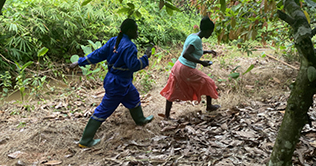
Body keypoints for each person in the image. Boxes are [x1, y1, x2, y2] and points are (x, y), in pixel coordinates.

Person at [70, 18, 154, 148]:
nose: (137, 33)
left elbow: (98, 54)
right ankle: (85, 140)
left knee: (133, 96)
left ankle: (140, 120)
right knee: (104, 109)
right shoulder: (130, 46)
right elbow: (133, 65)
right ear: (130, 31)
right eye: (136, 30)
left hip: (117, 80)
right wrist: (145, 57)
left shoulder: (114, 41)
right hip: (118, 84)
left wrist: (80, 61)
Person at [160, 16, 220, 119]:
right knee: (208, 82)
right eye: (210, 32)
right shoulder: (197, 40)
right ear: (206, 30)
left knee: (172, 89)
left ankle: (167, 115)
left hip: (178, 66)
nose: (211, 34)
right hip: (185, 68)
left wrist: (208, 51)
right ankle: (209, 106)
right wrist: (201, 62)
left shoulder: (193, 36)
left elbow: (194, 51)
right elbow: (186, 54)